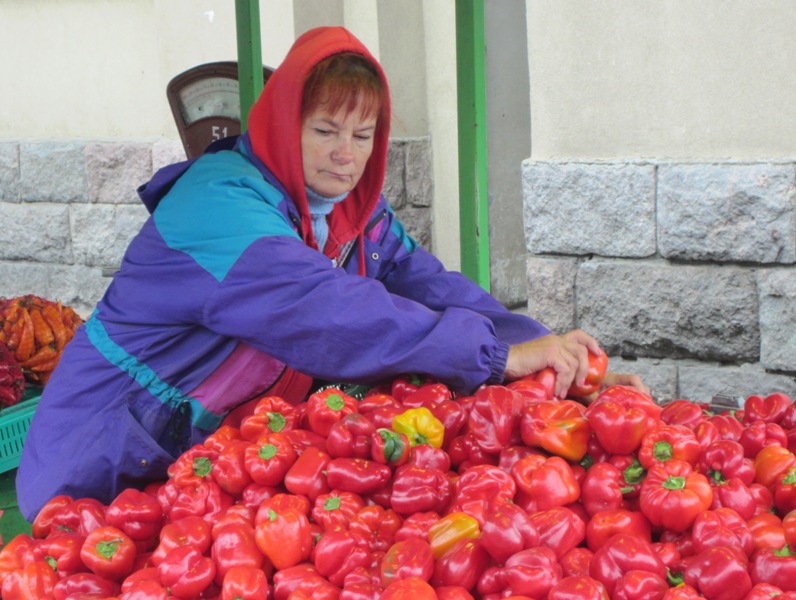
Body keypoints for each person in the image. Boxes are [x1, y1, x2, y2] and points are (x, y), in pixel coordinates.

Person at [16, 26, 646, 520]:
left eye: (364, 135)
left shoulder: (346, 209)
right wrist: (493, 357)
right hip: (101, 465)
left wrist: (547, 356)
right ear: (281, 123)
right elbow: (325, 309)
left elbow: (425, 281)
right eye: (324, 131)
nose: (347, 155)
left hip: (198, 469)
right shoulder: (217, 205)